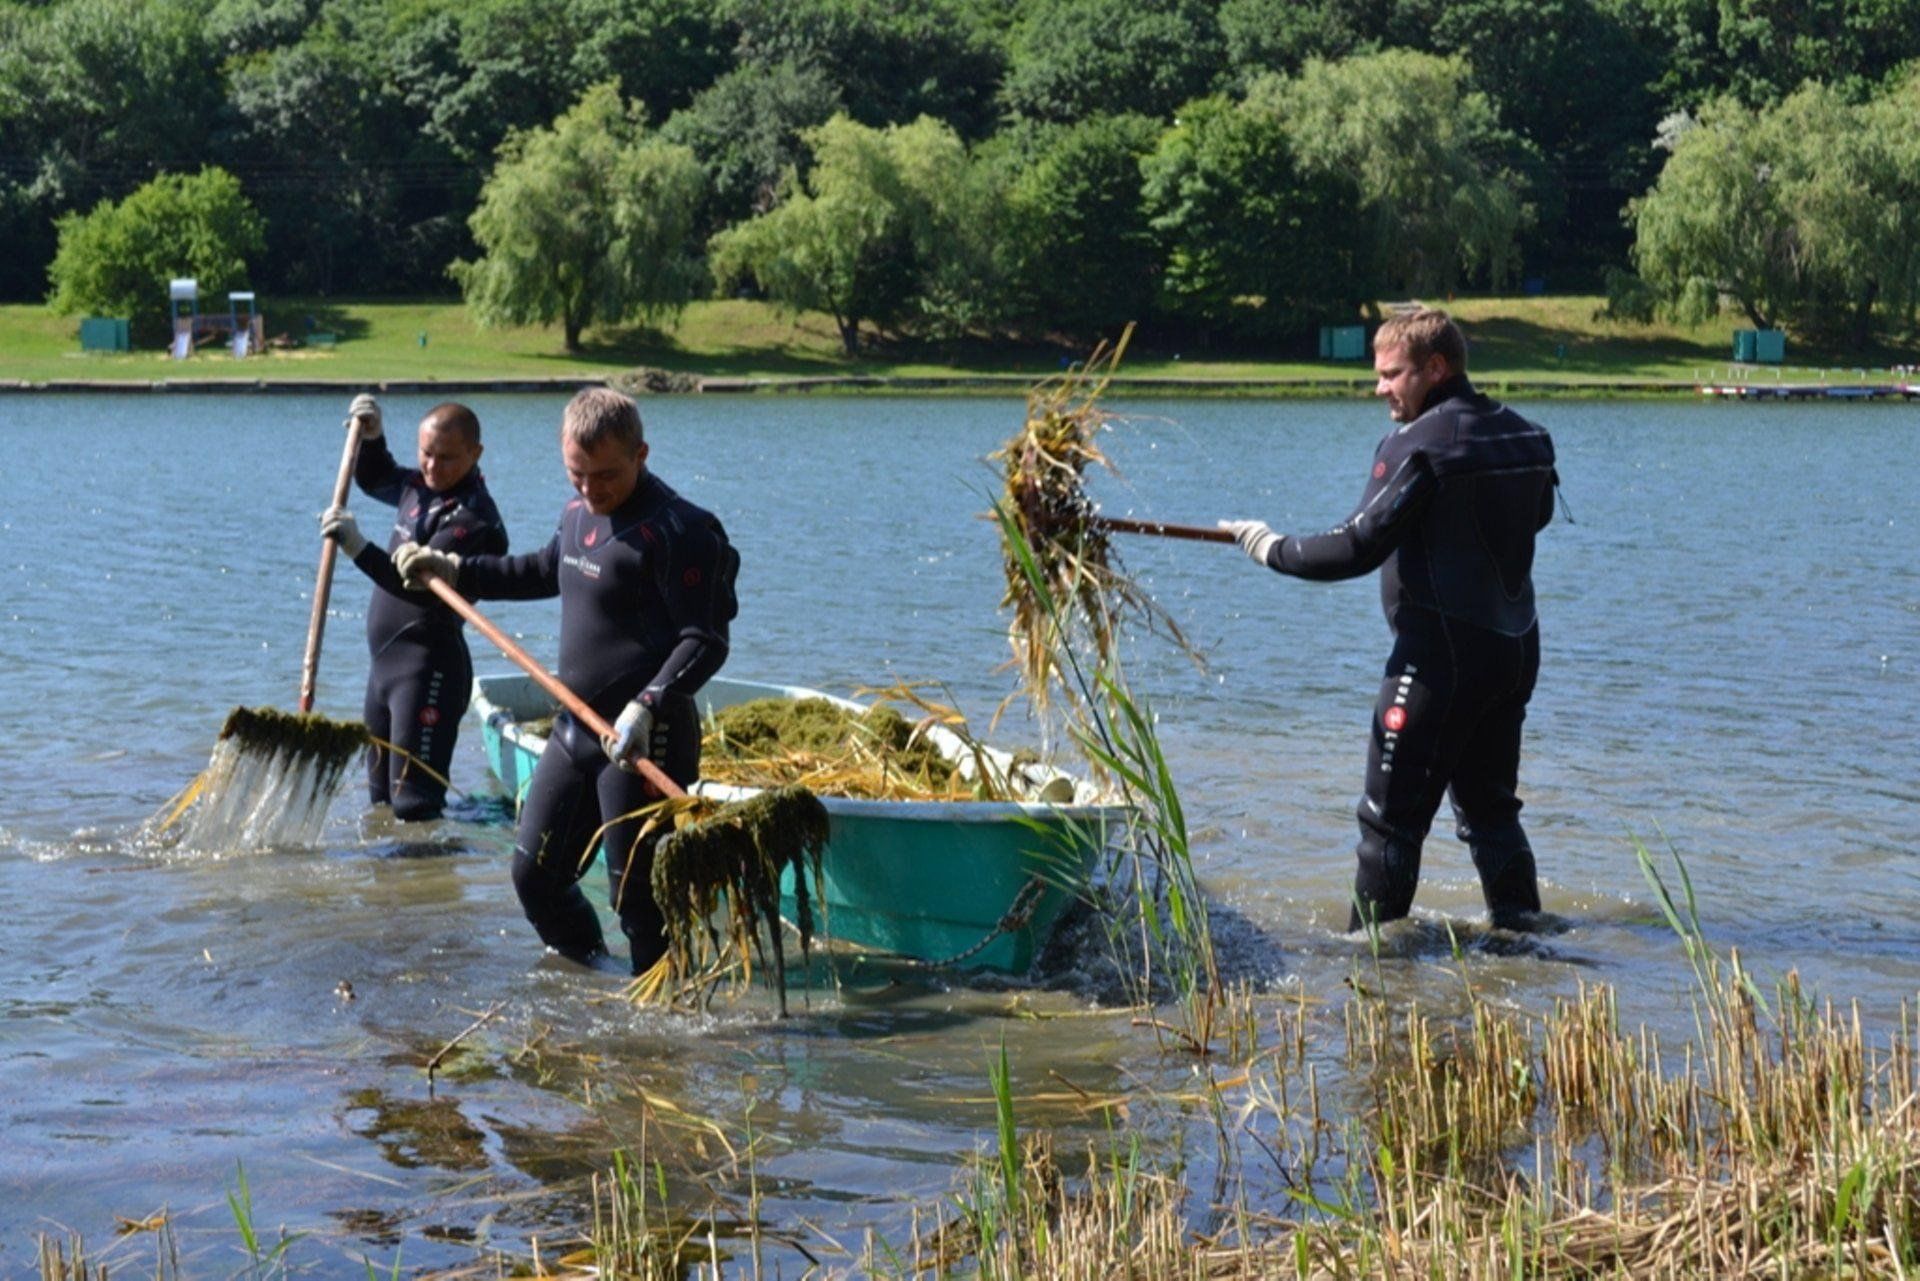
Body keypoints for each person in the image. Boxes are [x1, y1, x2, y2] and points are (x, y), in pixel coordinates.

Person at [1219, 308, 1557, 932]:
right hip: (1512, 652)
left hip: (1437, 662)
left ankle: (1369, 966)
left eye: (1392, 375)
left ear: (1436, 368)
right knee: (1490, 812)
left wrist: (1270, 547)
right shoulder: (1527, 436)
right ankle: (1524, 943)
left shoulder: (1419, 443)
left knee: (1389, 824)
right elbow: (1531, 518)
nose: (1379, 389)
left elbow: (1357, 545)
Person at [394, 387, 739, 974]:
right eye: (577, 474)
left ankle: (662, 1027)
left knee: (640, 905)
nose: (590, 489)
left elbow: (705, 640)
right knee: (534, 876)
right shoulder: (579, 513)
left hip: (643, 741)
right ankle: (593, 986)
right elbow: (543, 569)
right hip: (576, 730)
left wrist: (648, 704)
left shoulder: (682, 531)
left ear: (642, 454)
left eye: (605, 475)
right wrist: (456, 568)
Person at [319, 395, 508, 822]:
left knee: (415, 807)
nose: (432, 467)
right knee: (382, 805)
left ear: (475, 454)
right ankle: (399, 889)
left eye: (446, 458)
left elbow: (419, 588)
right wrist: (372, 435)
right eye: (425, 453)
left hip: (429, 673)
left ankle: (444, 874)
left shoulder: (474, 518)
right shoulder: (419, 488)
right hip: (383, 668)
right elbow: (374, 477)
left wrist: (358, 547)